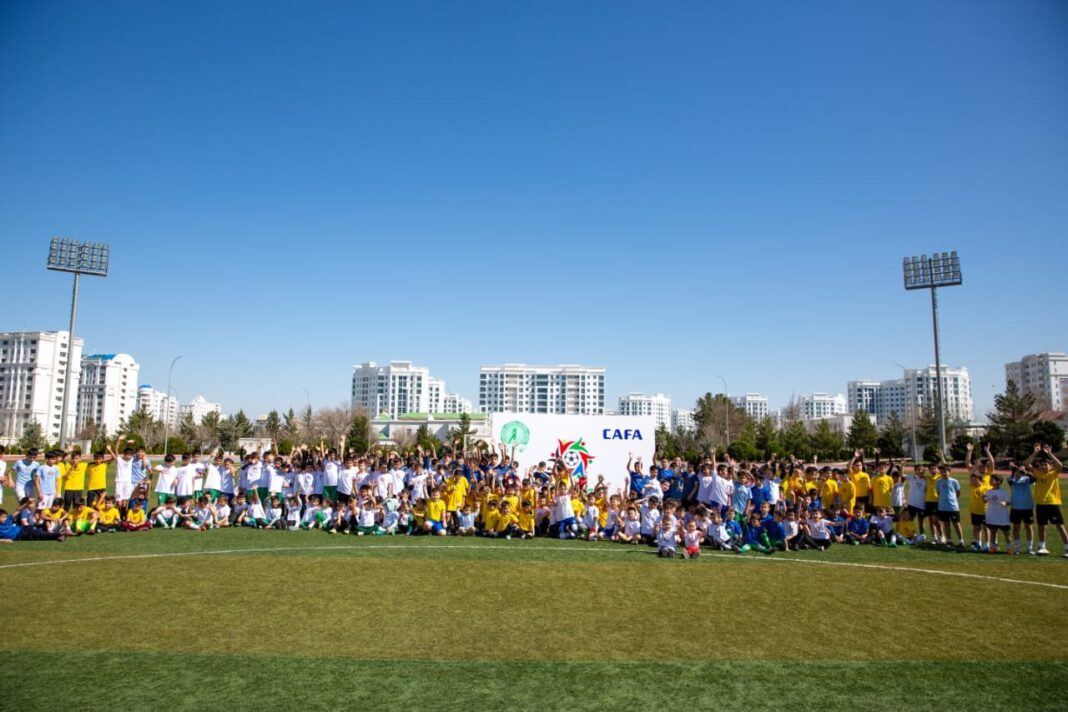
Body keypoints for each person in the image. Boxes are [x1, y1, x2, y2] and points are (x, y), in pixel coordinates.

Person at [1027, 444, 1068, 558]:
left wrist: (1050, 454)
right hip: (1040, 504)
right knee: (1041, 526)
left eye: (1046, 465)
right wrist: (1035, 453)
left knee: (1060, 526)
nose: (1043, 467)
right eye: (1042, 465)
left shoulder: (1054, 474)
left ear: (1051, 466)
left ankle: (1067, 548)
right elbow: (1026, 464)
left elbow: (1059, 465)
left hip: (1052, 504)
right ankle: (1042, 547)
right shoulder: (1038, 473)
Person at [1008, 464, 1036, 556]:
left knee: (1028, 527)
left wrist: (1026, 472)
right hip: (1015, 507)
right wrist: (1014, 470)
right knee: (1016, 528)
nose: (1019, 471)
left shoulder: (1027, 479)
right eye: (1018, 470)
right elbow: (1011, 482)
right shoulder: (1011, 479)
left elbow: (1034, 479)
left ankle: (1029, 548)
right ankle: (1017, 548)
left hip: (1027, 507)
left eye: (1021, 470)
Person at [0, 508, 66, 542]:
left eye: (5, 517)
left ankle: (57, 533)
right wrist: (4, 540)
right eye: (3, 517)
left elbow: (17, 511)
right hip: (18, 535)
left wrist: (26, 503)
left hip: (23, 528)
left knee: (38, 529)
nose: (5, 518)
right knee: (37, 534)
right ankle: (59, 535)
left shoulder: (7, 519)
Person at [983, 475, 1011, 554]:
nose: (990, 481)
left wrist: (1005, 503)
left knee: (1006, 533)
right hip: (992, 515)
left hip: (1002, 516)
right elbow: (985, 500)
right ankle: (993, 547)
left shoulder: (1003, 492)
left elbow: (1008, 501)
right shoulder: (989, 492)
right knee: (993, 532)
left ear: (999, 482)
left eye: (993, 480)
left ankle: (1009, 548)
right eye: (990, 480)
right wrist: (983, 498)